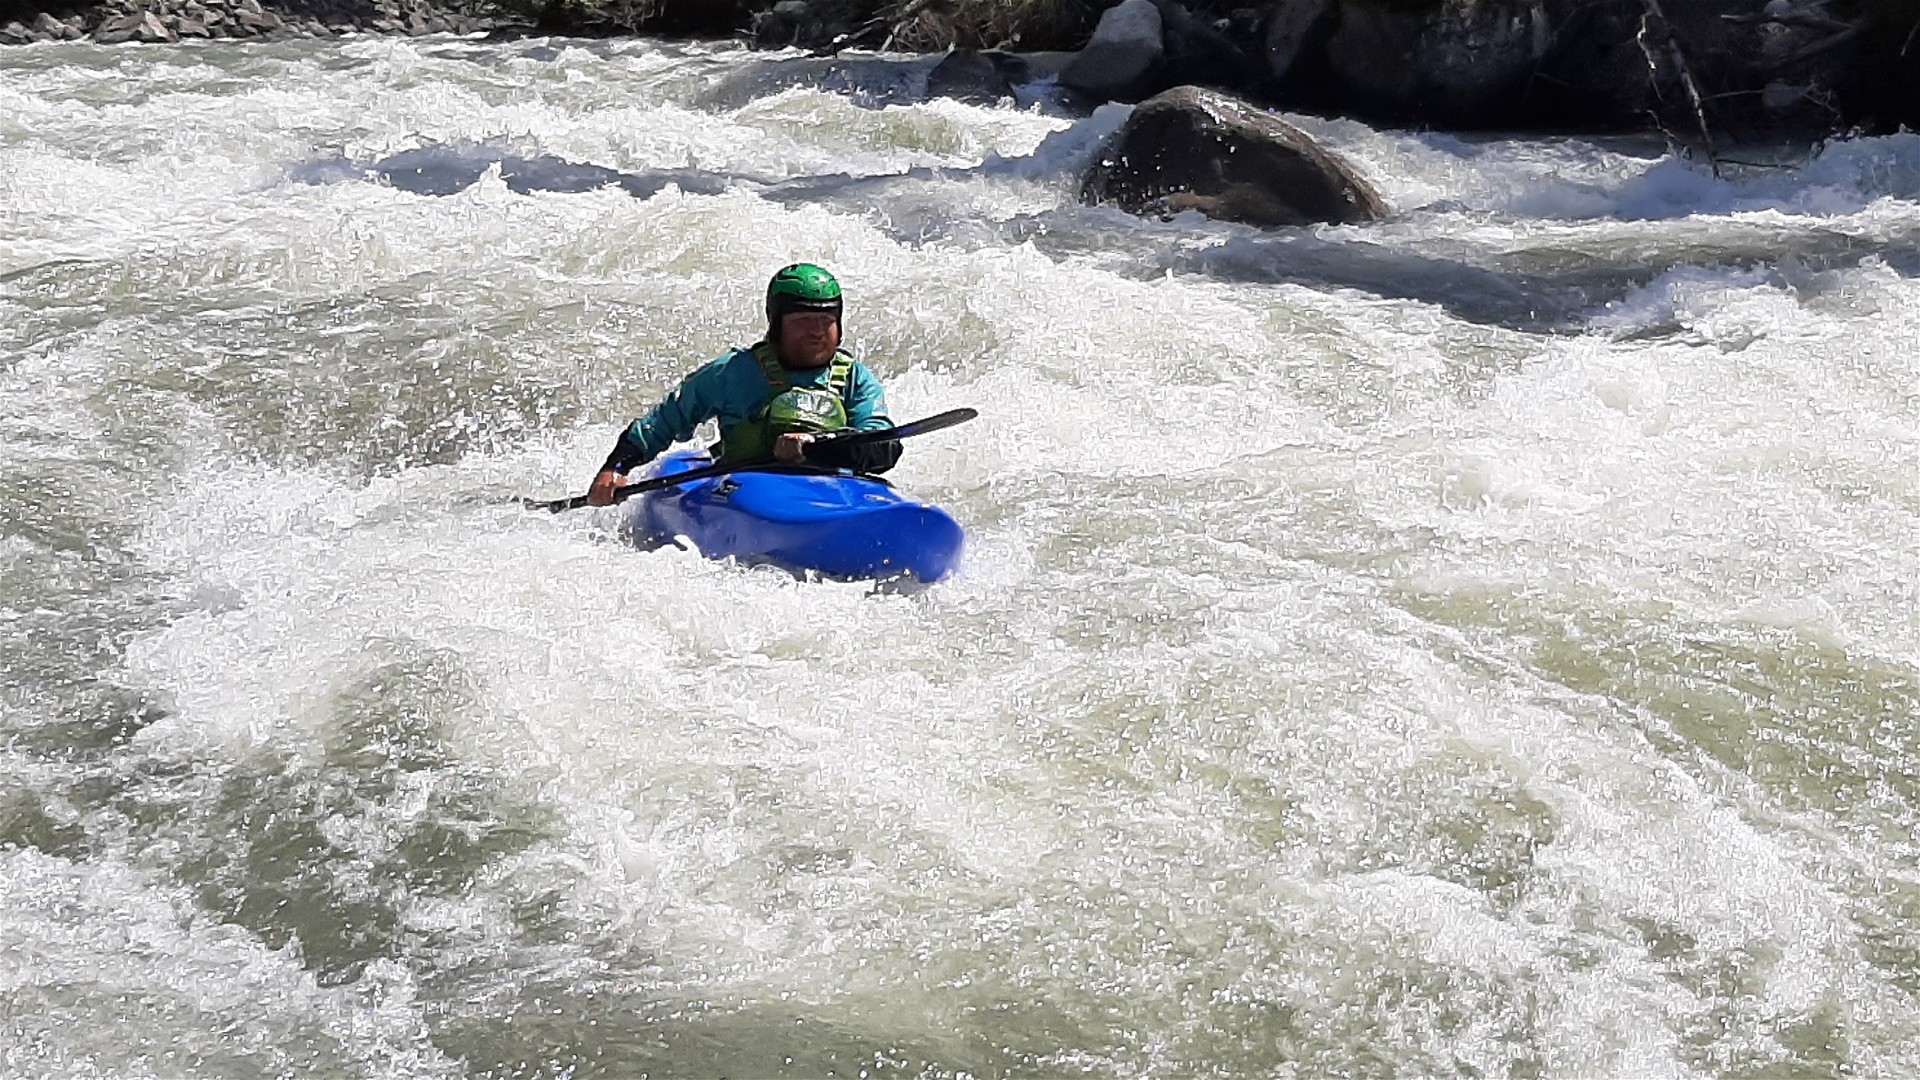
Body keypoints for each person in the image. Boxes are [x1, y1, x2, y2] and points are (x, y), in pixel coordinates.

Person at [586, 263, 902, 506]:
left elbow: (883, 446)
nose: (818, 331)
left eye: (827, 320)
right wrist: (616, 468)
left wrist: (819, 445)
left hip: (831, 492)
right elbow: (663, 422)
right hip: (745, 488)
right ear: (776, 325)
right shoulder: (735, 372)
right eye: (804, 322)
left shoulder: (855, 378)